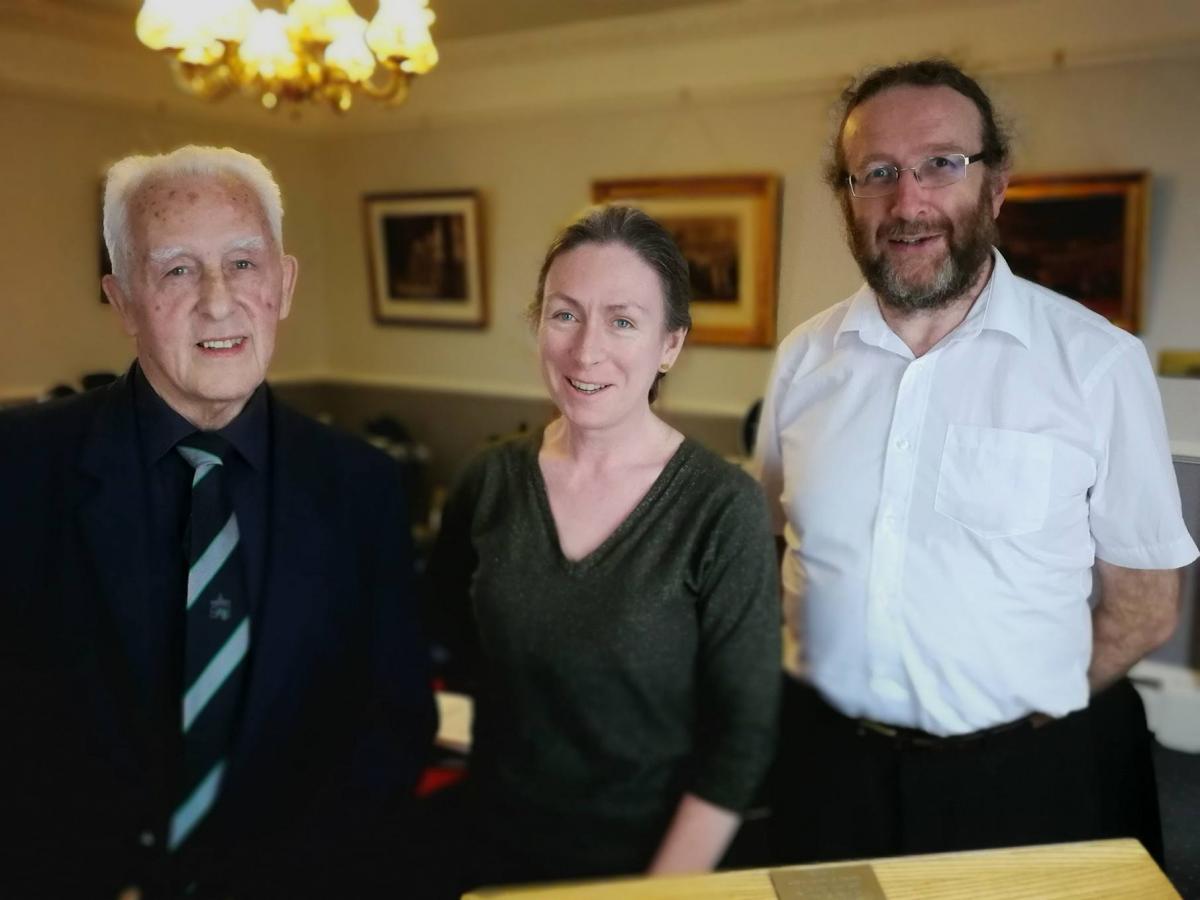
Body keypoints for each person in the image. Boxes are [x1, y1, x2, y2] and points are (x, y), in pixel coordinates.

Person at [754, 59, 1198, 865]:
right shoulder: (802, 359)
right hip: (828, 769)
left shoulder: (1096, 363)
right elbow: (777, 541)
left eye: (941, 165)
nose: (908, 200)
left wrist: (1025, 710)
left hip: (1019, 776)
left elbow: (1146, 606)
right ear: (847, 199)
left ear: (995, 187)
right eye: (877, 173)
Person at [0, 145, 436, 899]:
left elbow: (391, 723)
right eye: (175, 269)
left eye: (244, 263)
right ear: (123, 299)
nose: (218, 300)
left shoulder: (360, 483)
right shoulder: (18, 468)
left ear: (284, 283)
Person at [429, 206, 780, 892]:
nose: (586, 350)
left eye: (623, 320)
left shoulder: (719, 508)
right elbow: (448, 654)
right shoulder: (488, 480)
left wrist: (651, 893)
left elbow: (742, 738)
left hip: (649, 868)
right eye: (565, 314)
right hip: (488, 853)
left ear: (670, 344)